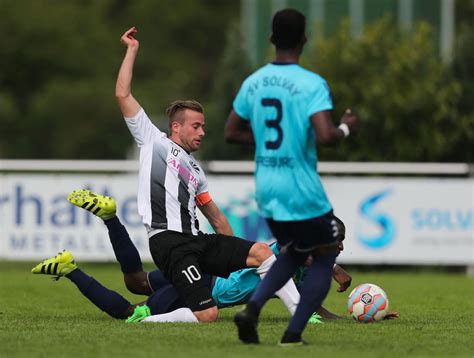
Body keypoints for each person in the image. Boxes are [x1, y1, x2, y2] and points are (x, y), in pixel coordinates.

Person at [114, 27, 301, 323]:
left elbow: (213, 215)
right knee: (207, 315)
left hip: (199, 240)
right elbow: (122, 93)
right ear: (176, 126)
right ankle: (146, 321)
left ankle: (301, 315)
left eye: (203, 126)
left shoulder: (196, 171)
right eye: (196, 126)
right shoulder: (153, 140)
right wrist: (132, 50)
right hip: (170, 242)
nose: (202, 132)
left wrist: (233, 250)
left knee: (262, 252)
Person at [224, 9, 359, 345]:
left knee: (294, 254)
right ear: (304, 40)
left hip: (267, 189)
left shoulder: (253, 82)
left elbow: (231, 132)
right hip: (301, 188)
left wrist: (271, 143)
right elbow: (326, 135)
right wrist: (345, 127)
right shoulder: (312, 83)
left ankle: (252, 310)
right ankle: (293, 333)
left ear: (271, 39)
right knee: (325, 254)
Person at [31, 190, 352, 323]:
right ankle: (71, 269)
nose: (339, 247)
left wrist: (342, 317)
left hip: (205, 268)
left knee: (137, 281)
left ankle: (110, 218)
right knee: (131, 312)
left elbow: (311, 300)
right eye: (337, 242)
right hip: (206, 284)